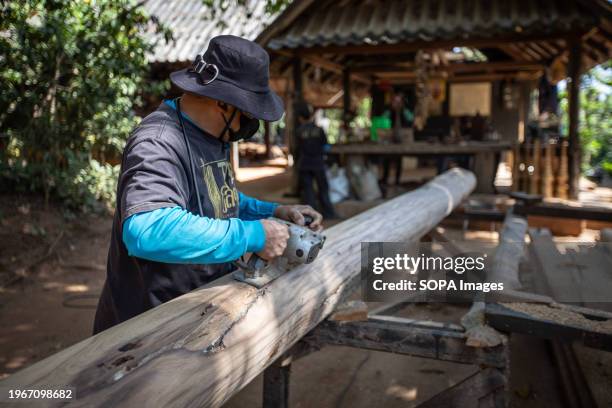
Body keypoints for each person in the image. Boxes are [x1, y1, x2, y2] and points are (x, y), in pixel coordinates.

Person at [93, 36, 323, 333]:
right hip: (146, 325)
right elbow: (146, 230)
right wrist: (254, 235)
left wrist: (273, 211)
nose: (251, 125)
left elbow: (218, 199)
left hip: (199, 308)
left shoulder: (213, 136)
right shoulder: (159, 141)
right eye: (250, 114)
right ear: (224, 104)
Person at [294, 101, 336, 219]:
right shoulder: (319, 130)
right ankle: (329, 213)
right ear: (311, 116)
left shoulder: (299, 131)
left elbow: (296, 150)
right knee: (323, 188)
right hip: (318, 163)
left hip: (305, 164)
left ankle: (310, 216)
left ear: (300, 118)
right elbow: (326, 147)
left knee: (308, 191)